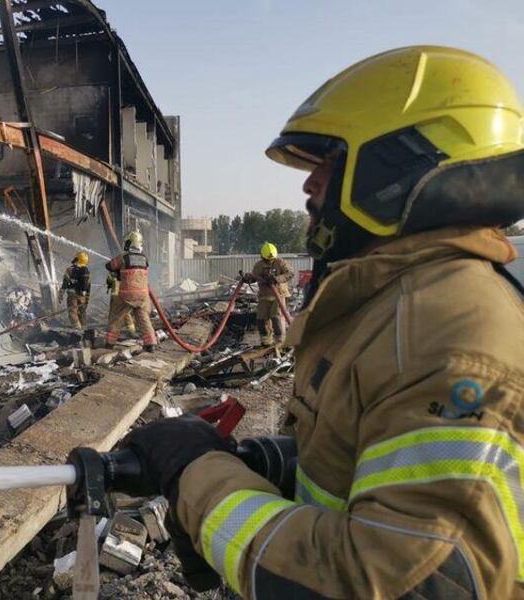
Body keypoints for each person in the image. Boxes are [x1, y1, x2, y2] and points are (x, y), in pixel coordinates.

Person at [118, 46, 524, 598]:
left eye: (327, 166)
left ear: (396, 169)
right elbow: (372, 465)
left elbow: (399, 582)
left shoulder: (446, 330)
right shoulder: (395, 306)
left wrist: (197, 475)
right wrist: (262, 461)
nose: (308, 190)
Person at [106, 231, 157, 352]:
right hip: (143, 296)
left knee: (116, 317)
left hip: (127, 295)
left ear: (129, 242)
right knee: (143, 318)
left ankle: (109, 343)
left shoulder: (123, 257)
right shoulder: (145, 258)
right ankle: (151, 344)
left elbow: (109, 266)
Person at [242, 242, 294, 346]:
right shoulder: (259, 265)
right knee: (261, 319)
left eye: (271, 259)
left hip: (279, 295)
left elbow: (290, 273)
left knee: (276, 317)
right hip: (264, 295)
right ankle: (266, 341)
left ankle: (280, 341)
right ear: (262, 256)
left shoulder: (280, 263)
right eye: (267, 259)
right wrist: (247, 278)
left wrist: (277, 279)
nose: (270, 261)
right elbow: (254, 277)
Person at [58, 251, 91, 329]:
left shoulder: (70, 269)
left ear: (77, 259)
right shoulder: (87, 272)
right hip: (83, 296)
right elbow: (88, 287)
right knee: (82, 313)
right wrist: (86, 299)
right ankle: (84, 331)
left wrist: (61, 294)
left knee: (72, 313)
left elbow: (65, 283)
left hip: (72, 296)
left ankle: (78, 330)